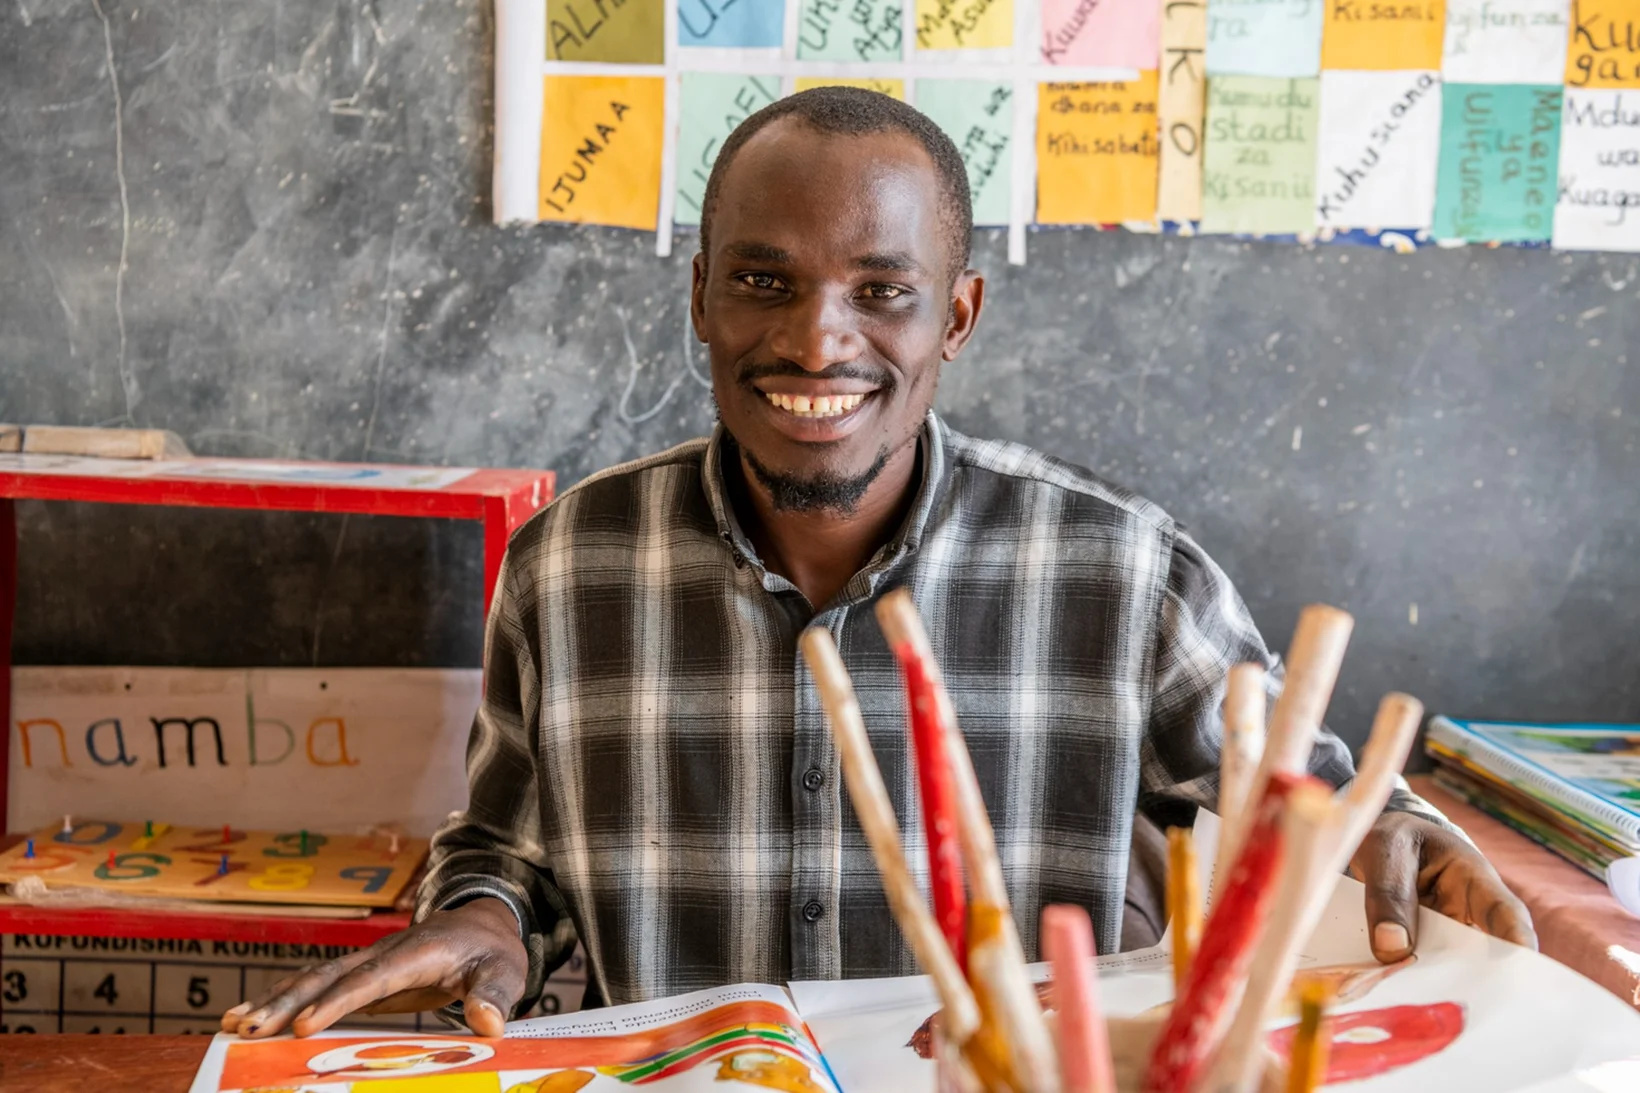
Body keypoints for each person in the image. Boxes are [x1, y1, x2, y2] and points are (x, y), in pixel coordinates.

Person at [222, 87, 1533, 1040]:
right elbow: (509, 852)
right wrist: (489, 920)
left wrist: (1399, 836)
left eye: (881, 291)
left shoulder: (1122, 577)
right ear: (699, 298)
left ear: (956, 313)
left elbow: (1319, 811)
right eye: (764, 281)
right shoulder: (571, 570)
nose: (816, 340)